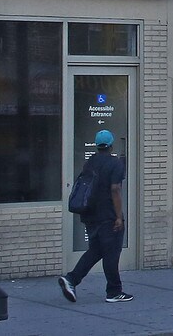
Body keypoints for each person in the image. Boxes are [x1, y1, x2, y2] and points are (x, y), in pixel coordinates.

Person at [58, 129, 132, 303]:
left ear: (97, 145)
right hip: (108, 216)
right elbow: (115, 189)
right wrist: (118, 216)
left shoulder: (90, 162)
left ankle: (71, 279)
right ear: (111, 145)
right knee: (111, 254)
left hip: (90, 215)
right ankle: (114, 291)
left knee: (96, 250)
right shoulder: (115, 163)